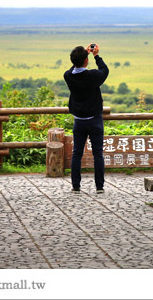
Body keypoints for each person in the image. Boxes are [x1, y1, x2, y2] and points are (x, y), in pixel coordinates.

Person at [63, 44, 109, 194]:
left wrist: (81, 57)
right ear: (86, 60)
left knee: (77, 153)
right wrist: (96, 56)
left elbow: (72, 70)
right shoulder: (92, 76)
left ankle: (76, 186)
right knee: (98, 154)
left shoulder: (68, 76)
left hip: (79, 120)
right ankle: (99, 186)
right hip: (95, 120)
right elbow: (105, 70)